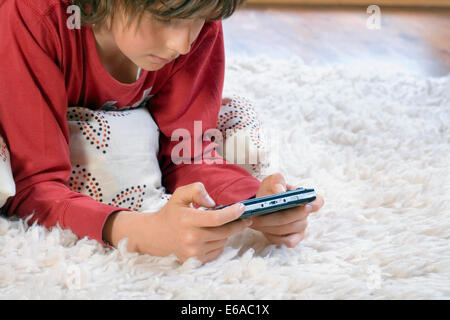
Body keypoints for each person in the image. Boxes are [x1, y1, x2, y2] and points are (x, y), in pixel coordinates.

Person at [0, 0, 324, 264]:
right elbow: (35, 183)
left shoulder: (199, 19)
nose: (182, 44)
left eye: (200, 19)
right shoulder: (34, 16)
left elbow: (187, 154)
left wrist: (253, 199)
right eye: (166, 17)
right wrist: (139, 231)